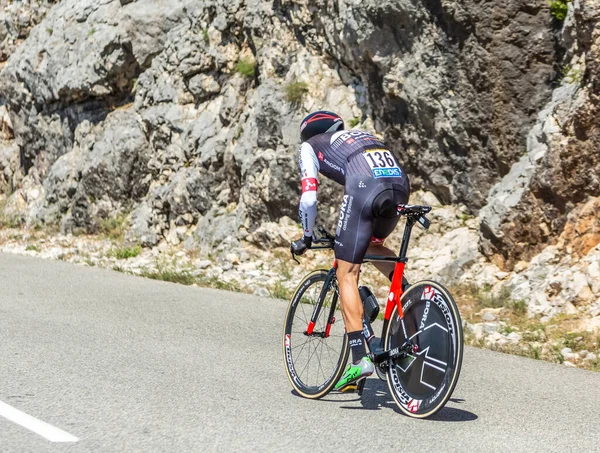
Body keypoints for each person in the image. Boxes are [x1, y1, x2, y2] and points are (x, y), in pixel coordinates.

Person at [290, 110, 410, 391]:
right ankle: (412, 299)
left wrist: (306, 236)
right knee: (372, 245)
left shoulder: (310, 145)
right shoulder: (361, 137)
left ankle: (359, 359)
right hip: (399, 185)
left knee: (347, 271)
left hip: (365, 186)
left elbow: (308, 199)